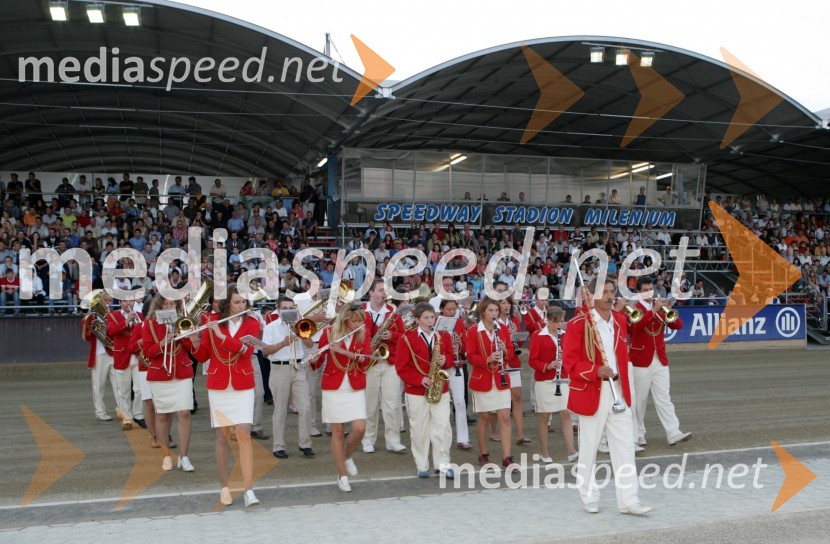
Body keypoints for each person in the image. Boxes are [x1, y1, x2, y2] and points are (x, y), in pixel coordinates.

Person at [562, 277, 652, 516]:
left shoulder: (620, 320)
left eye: (612, 291)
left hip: (618, 392)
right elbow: (570, 363)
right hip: (593, 391)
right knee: (589, 448)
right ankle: (588, 496)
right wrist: (595, 371)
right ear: (592, 295)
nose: (610, 296)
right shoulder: (578, 324)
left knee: (625, 448)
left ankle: (629, 500)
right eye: (604, 292)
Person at [193, 286, 261, 507]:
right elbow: (203, 356)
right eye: (237, 302)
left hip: (243, 384)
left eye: (244, 302)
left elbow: (246, 352)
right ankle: (224, 487)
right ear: (227, 304)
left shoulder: (253, 324)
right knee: (222, 437)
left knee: (244, 434)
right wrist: (194, 341)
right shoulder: (212, 321)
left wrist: (221, 336)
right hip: (219, 384)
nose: (241, 306)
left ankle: (249, 490)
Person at [310, 304, 376, 492]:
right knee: (337, 431)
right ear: (345, 320)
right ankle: (342, 476)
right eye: (354, 321)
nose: (358, 324)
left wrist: (343, 351)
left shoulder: (364, 332)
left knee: (360, 428)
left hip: (354, 385)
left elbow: (366, 359)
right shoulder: (329, 333)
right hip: (333, 387)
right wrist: (314, 359)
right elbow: (319, 359)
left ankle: (346, 456)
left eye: (360, 320)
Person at [395, 302, 456, 478]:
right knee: (419, 429)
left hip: (440, 388)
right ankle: (422, 465)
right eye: (426, 318)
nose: (431, 321)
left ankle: (442, 464)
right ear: (417, 319)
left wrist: (446, 360)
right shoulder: (406, 338)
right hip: (416, 390)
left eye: (432, 317)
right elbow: (401, 367)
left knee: (442, 427)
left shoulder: (443, 336)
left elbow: (451, 357)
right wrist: (419, 379)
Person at [628, 277, 691, 447]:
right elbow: (634, 328)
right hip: (640, 360)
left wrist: (667, 310)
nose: (649, 293)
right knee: (639, 401)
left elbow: (678, 325)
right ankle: (638, 435)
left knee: (664, 398)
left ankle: (673, 432)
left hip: (660, 359)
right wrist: (653, 311)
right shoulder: (635, 308)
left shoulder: (659, 306)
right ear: (638, 292)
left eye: (651, 289)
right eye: (645, 290)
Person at [141, 295, 199, 471]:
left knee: (184, 413)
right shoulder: (149, 324)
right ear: (158, 306)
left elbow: (192, 349)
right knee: (162, 416)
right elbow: (148, 352)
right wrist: (162, 344)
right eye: (165, 304)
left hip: (182, 372)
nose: (168, 307)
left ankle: (184, 457)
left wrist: (193, 338)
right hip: (160, 374)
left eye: (171, 304)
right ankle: (166, 455)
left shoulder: (183, 321)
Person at [261, 297, 316, 459]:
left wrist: (298, 329)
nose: (288, 311)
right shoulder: (271, 327)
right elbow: (265, 351)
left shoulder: (300, 324)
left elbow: (310, 344)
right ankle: (278, 445)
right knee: (280, 409)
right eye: (285, 308)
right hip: (279, 368)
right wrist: (283, 344)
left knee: (305, 407)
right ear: (278, 310)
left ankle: (305, 444)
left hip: (298, 367)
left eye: (291, 308)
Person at [465, 297, 515, 468]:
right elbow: (470, 356)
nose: (494, 314)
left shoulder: (502, 329)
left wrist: (504, 351)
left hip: (501, 378)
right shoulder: (473, 331)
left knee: (505, 417)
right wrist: (487, 359)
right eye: (490, 311)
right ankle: (483, 454)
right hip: (483, 379)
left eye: (496, 311)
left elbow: (510, 352)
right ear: (483, 312)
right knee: (484, 418)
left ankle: (507, 458)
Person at [362, 279, 407, 455]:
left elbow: (403, 335)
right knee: (370, 405)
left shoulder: (393, 313)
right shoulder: (361, 312)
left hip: (389, 364)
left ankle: (393, 440)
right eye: (380, 290)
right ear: (371, 292)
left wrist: (392, 335)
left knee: (392, 404)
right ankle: (368, 439)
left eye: (385, 290)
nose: (384, 293)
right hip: (369, 363)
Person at [528, 306, 578, 463]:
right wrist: (547, 365)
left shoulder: (565, 335)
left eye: (562, 321)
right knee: (544, 416)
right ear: (549, 320)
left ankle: (571, 451)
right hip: (544, 381)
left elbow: (571, 355)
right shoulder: (538, 336)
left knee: (565, 413)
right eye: (556, 322)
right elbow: (532, 361)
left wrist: (566, 362)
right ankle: (544, 452)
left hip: (562, 379)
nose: (560, 325)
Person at [106, 298, 145, 430]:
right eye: (125, 301)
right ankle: (127, 418)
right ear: (120, 303)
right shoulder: (113, 315)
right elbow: (111, 331)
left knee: (140, 389)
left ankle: (139, 415)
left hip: (138, 355)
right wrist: (126, 321)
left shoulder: (140, 315)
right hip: (122, 356)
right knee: (123, 391)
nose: (128, 303)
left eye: (131, 301)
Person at [440, 299, 471, 449]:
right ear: (442, 309)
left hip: (456, 365)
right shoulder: (436, 322)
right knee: (441, 403)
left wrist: (459, 344)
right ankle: (441, 436)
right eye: (449, 309)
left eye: (454, 309)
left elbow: (465, 346)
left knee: (460, 401)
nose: (452, 312)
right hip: (441, 366)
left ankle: (462, 438)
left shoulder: (458, 322)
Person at [81, 292, 117, 421]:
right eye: (105, 300)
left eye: (109, 300)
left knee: (119, 385)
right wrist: (93, 328)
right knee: (98, 385)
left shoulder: (114, 315)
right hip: (99, 354)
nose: (107, 303)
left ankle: (123, 410)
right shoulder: (91, 317)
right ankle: (100, 412)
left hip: (114, 353)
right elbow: (86, 336)